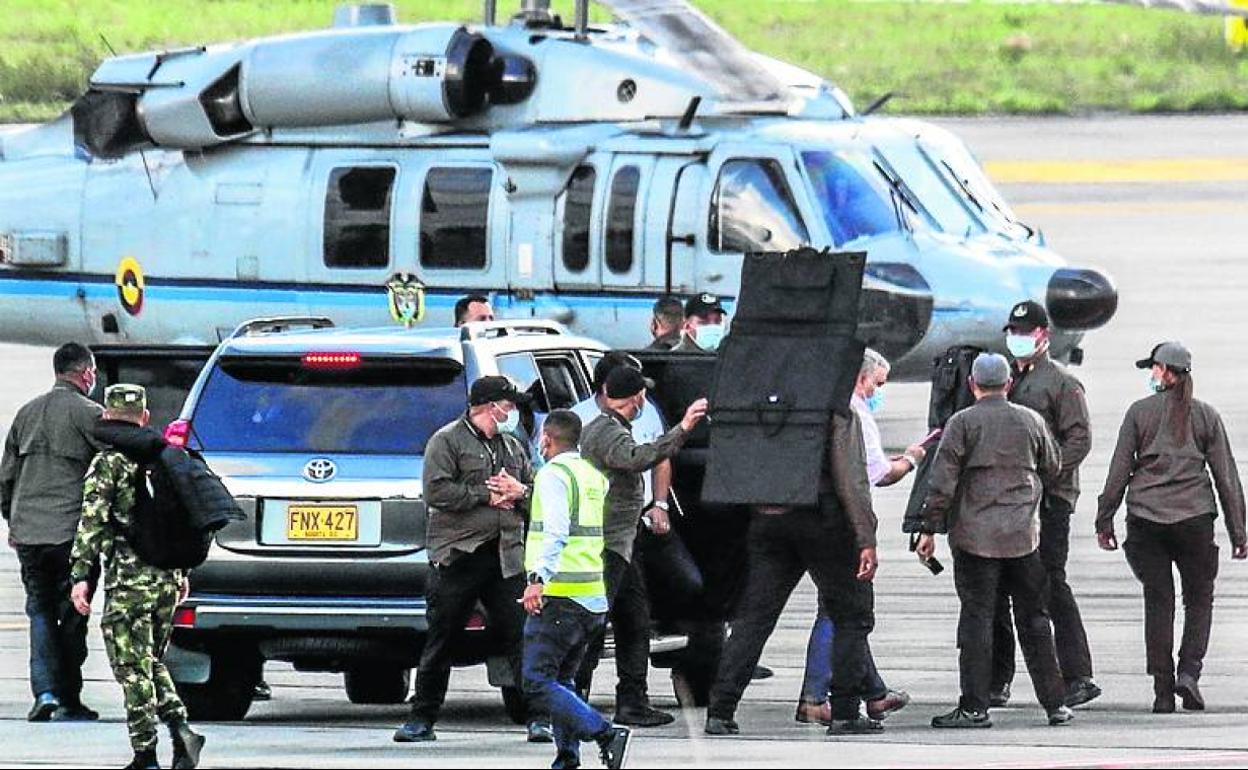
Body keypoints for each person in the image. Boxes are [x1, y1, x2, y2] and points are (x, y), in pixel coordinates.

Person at [704, 392, 881, 737]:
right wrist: (866, 536)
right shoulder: (834, 408)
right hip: (823, 517)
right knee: (851, 615)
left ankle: (721, 710)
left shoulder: (759, 403)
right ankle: (845, 712)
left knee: (754, 618)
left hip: (768, 518)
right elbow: (850, 476)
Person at [917, 353, 1073, 728]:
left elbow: (941, 483)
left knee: (977, 621)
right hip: (1023, 538)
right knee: (1035, 620)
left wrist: (929, 529)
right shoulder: (1030, 420)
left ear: (973, 384)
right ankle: (1055, 703)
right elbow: (1053, 466)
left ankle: (975, 706)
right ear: (1008, 384)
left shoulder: (962, 423)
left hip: (975, 540)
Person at [394, 376, 551, 743]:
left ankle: (538, 717)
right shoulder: (447, 440)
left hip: (507, 556)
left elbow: (536, 490)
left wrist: (521, 491)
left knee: (523, 637)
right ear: (489, 406)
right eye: (508, 406)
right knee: (442, 639)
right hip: (460, 555)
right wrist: (485, 495)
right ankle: (422, 718)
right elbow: (436, 491)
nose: (512, 413)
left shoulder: (513, 445)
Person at [1096, 341, 1247, 713]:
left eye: (1153, 367)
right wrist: (1239, 531)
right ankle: (1189, 672)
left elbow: (1119, 470)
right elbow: (1226, 476)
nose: (1151, 374)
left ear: (1164, 371)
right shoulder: (1206, 416)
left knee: (1158, 600)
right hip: (1195, 520)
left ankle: (1162, 690)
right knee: (1199, 599)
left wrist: (1104, 519)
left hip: (1146, 522)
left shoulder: (1139, 413)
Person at [68, 385, 205, 770]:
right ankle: (180, 729)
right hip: (166, 579)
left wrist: (81, 575)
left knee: (131, 667)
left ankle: (146, 753)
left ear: (107, 416)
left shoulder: (109, 463)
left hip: (130, 581)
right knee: (150, 661)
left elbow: (92, 522)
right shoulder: (165, 459)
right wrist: (181, 573)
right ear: (144, 418)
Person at [578, 367, 709, 727]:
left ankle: (632, 701)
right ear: (637, 398)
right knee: (594, 625)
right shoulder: (606, 432)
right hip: (608, 544)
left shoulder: (612, 427)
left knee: (634, 621)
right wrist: (683, 428)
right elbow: (638, 458)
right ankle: (572, 698)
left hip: (625, 541)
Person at [795, 349, 918, 726]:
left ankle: (874, 693)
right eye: (877, 384)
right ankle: (816, 698)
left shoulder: (821, 405)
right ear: (859, 378)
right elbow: (878, 474)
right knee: (840, 612)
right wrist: (911, 459)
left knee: (845, 614)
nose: (878, 393)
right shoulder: (855, 413)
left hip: (810, 519)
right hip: (841, 523)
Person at [994, 300, 1099, 709]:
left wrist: (1046, 474)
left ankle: (1077, 674)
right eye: (1014, 332)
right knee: (1002, 585)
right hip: (1011, 500)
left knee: (1051, 581)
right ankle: (997, 679)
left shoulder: (1061, 383)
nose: (1018, 338)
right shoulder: (1007, 380)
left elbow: (1079, 439)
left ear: (1044, 336)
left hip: (1051, 499)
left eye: (1026, 332)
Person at [520, 410, 632, 770]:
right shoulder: (591, 475)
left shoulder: (553, 475)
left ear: (547, 439)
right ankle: (567, 757)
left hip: (560, 595)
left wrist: (537, 579)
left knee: (537, 680)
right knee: (563, 679)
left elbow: (556, 531)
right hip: (591, 595)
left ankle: (605, 733)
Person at [0, 342, 103, 722]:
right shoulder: (91, 415)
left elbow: (6, 477)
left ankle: (44, 693)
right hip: (70, 534)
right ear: (86, 373)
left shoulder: (26, 413)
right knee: (73, 615)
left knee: (40, 612)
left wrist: (13, 521)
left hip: (29, 533)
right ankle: (69, 697)